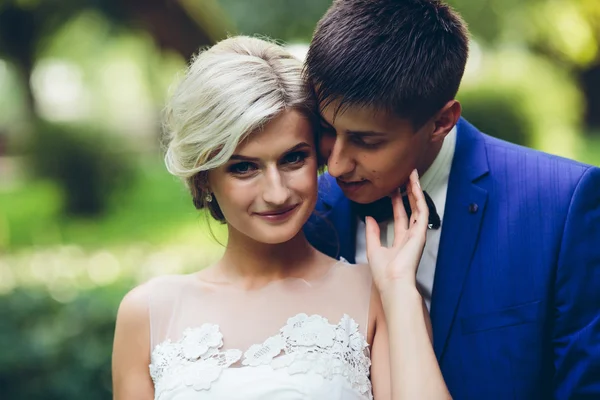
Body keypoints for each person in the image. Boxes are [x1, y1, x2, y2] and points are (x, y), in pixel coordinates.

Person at [111, 36, 452, 400]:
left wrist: (399, 289)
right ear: (203, 175)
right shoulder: (147, 313)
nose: (277, 193)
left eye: (293, 159)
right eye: (243, 167)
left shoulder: (378, 295)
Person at [303, 1, 600, 399]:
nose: (335, 166)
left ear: (442, 122)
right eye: (326, 130)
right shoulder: (306, 211)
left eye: (365, 140)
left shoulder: (560, 206)